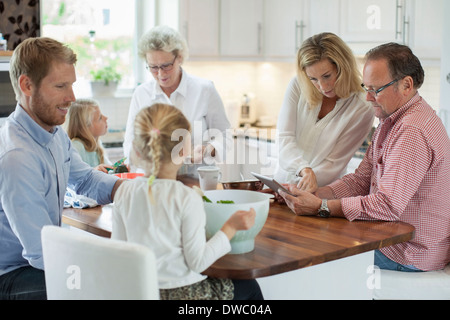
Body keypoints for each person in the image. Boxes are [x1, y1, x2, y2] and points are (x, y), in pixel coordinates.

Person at [278, 42, 450, 272]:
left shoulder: (411, 131)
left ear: (406, 85)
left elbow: (387, 206)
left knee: (304, 250)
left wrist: (322, 206)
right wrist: (308, 195)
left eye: (375, 89)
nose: (368, 98)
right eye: (366, 87)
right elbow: (359, 180)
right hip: (390, 237)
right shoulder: (391, 121)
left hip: (406, 251)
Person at [0, 37, 123, 300]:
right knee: (107, 286)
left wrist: (125, 189)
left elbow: (86, 181)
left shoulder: (54, 133)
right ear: (27, 85)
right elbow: (42, 251)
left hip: (38, 260)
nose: (72, 97)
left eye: (72, 85)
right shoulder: (17, 156)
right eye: (60, 86)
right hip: (12, 274)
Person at [112, 103, 263, 300]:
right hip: (184, 296)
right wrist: (230, 228)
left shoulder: (124, 191)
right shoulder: (186, 197)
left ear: (138, 150)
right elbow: (198, 262)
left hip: (140, 292)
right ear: (184, 152)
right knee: (248, 285)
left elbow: (118, 252)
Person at [274, 32, 374, 192]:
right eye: (313, 79)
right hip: (281, 186)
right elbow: (284, 139)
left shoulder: (362, 106)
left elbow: (334, 163)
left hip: (321, 193)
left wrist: (300, 185)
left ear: (343, 68)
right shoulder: (298, 85)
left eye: (327, 76)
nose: (322, 86)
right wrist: (303, 170)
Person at [123, 25, 230, 174]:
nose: (160, 74)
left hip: (198, 180)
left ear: (179, 57)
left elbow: (224, 135)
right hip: (156, 182)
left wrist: (208, 150)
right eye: (153, 67)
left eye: (166, 66)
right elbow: (130, 143)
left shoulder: (204, 89)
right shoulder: (141, 94)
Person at [66, 98, 112, 172]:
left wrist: (118, 168)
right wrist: (94, 171)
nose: (106, 118)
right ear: (85, 127)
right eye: (100, 118)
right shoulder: (77, 146)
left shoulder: (96, 145)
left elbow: (109, 168)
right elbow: (75, 177)